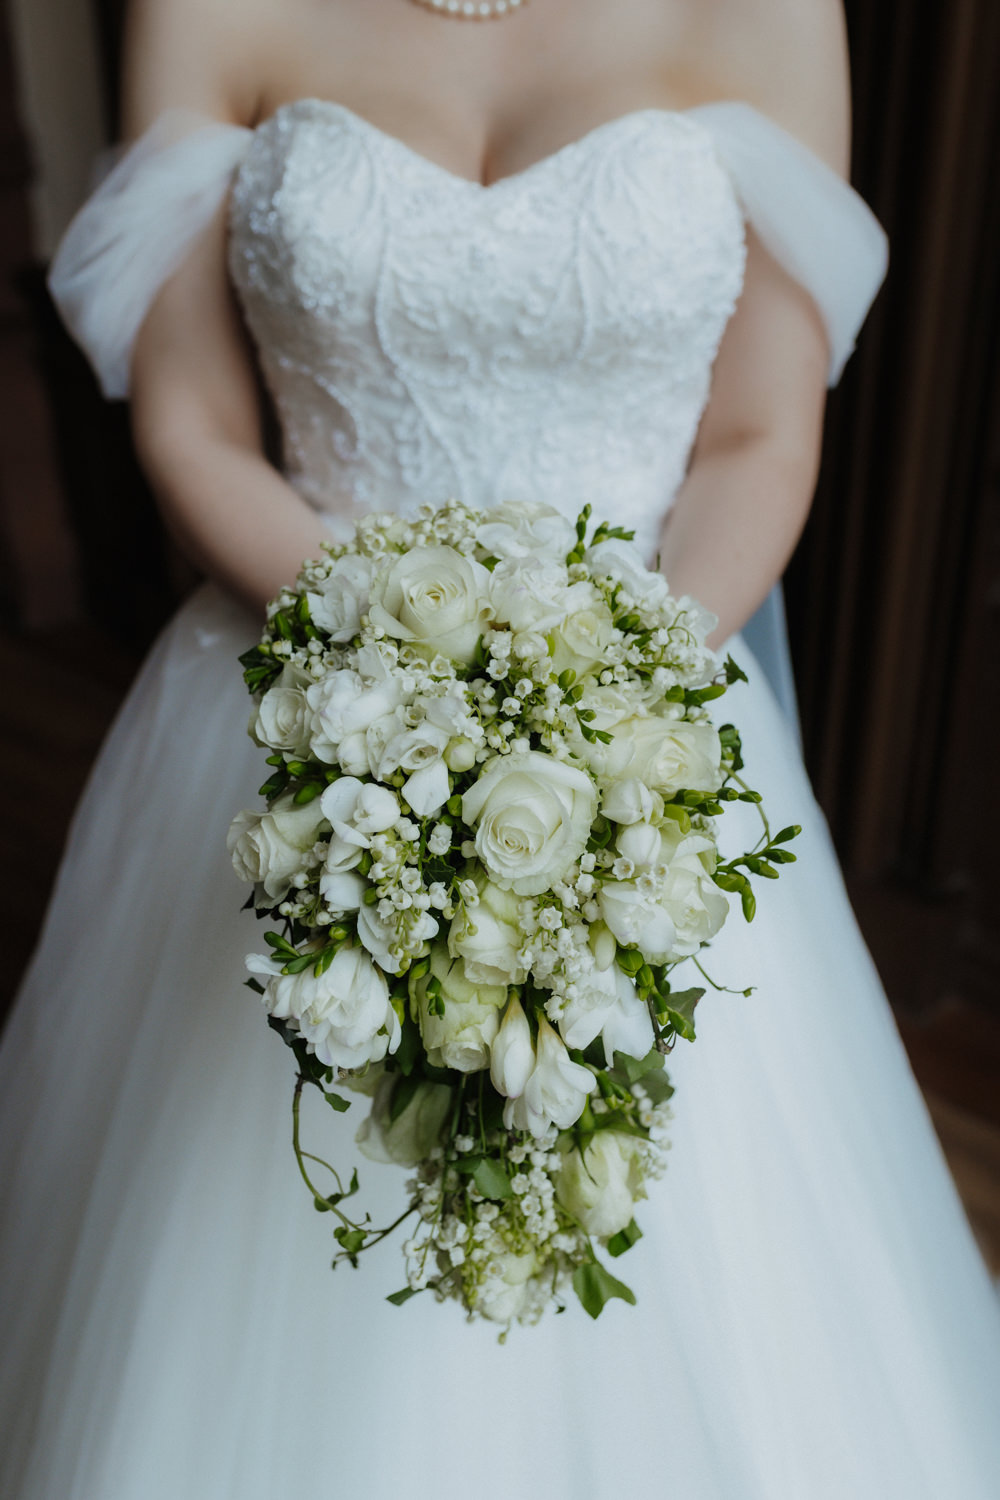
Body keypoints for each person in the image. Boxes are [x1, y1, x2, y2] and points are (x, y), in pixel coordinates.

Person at [2, 0, 999, 1495]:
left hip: (643, 706)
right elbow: (194, 427)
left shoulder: (777, 14)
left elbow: (759, 439)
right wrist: (402, 663)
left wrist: (602, 704)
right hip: (302, 688)